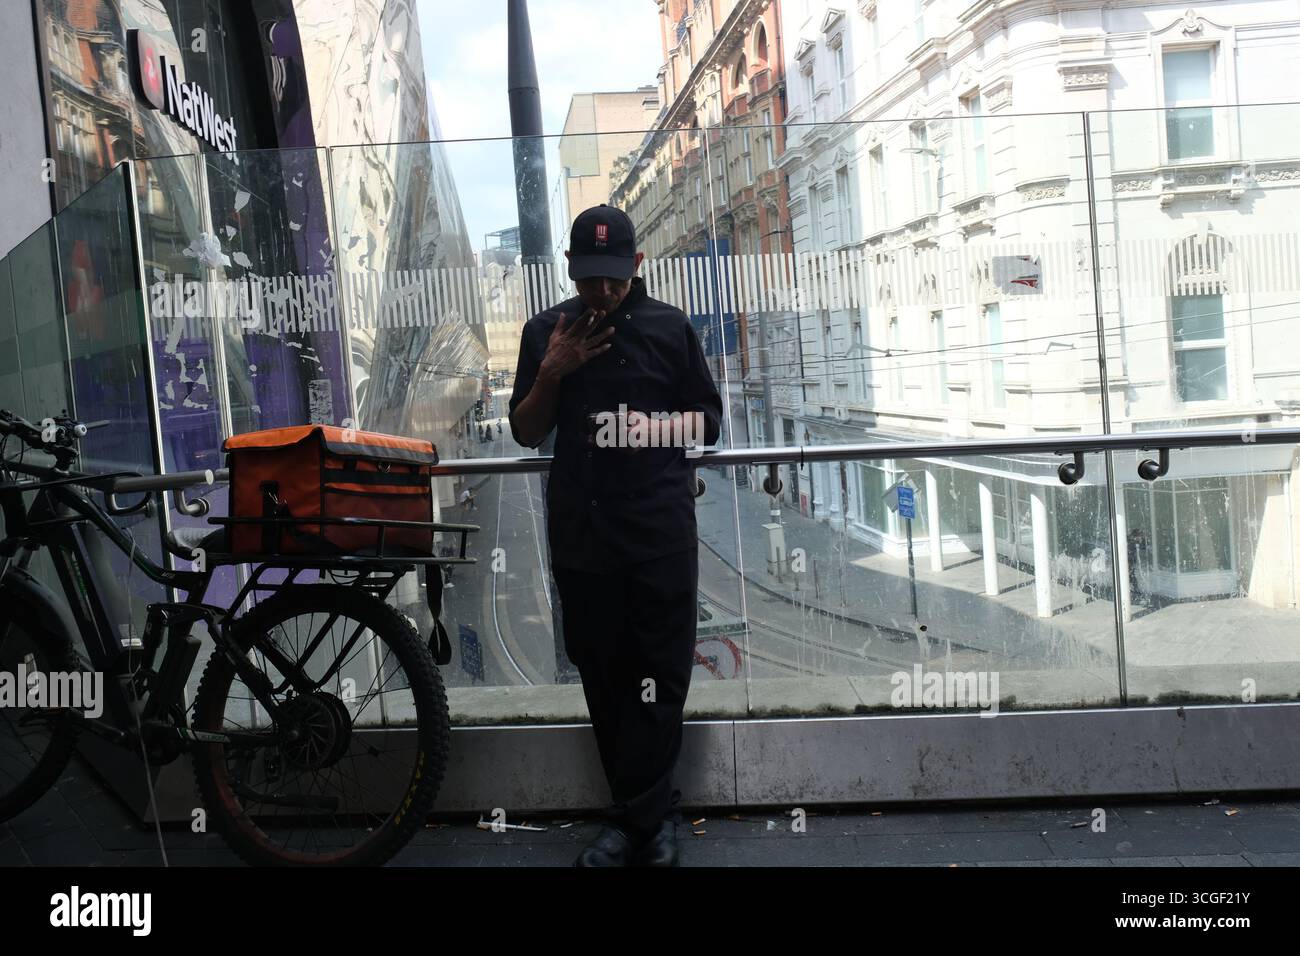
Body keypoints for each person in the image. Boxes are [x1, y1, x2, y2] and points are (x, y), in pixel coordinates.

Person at [509, 204, 722, 867]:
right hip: (583, 536)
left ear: (637, 266)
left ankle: (637, 824)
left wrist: (639, 430)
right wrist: (554, 372)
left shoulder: (670, 327)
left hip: (659, 534)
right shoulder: (545, 331)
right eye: (589, 278)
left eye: (614, 278)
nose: (600, 291)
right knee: (604, 676)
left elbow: (707, 425)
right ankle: (648, 823)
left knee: (660, 677)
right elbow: (524, 431)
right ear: (570, 269)